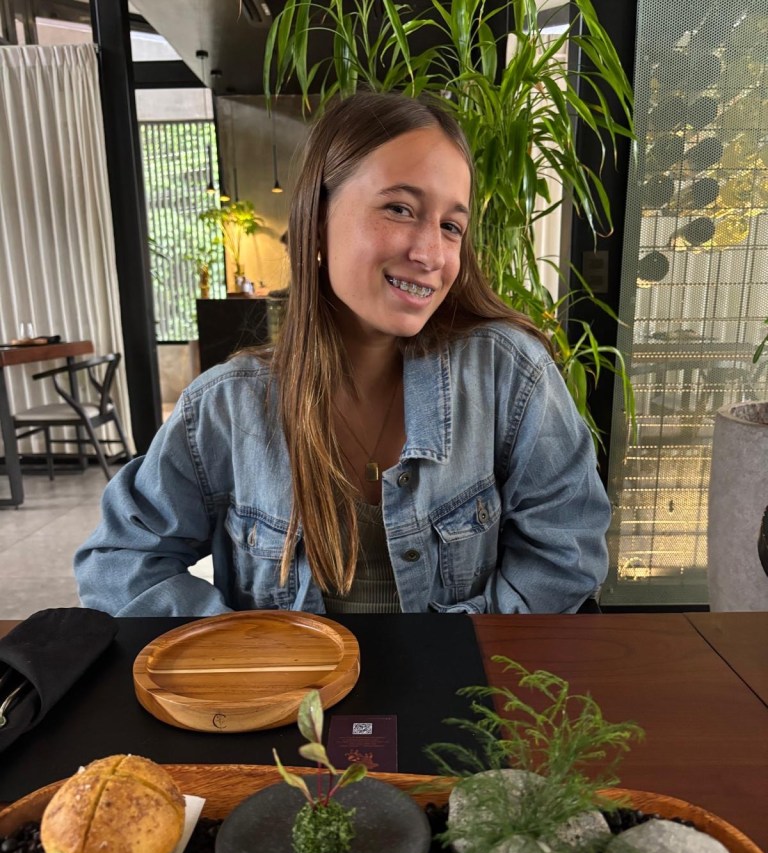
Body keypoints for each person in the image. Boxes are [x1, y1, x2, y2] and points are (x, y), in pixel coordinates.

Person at [75, 91, 611, 617]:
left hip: (468, 675)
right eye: (399, 209)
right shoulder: (227, 406)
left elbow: (566, 554)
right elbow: (119, 563)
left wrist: (450, 650)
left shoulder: (508, 375)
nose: (431, 254)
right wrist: (243, 649)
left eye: (451, 226)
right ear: (317, 222)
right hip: (285, 681)